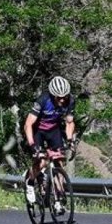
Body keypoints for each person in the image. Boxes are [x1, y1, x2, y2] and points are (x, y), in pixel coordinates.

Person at [23, 76, 76, 214]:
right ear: (53, 95)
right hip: (38, 131)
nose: (62, 100)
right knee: (41, 162)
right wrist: (33, 145)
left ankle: (57, 198)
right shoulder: (42, 100)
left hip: (54, 130)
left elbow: (69, 122)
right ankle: (30, 181)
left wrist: (70, 141)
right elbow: (28, 124)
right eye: (59, 98)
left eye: (64, 97)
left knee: (59, 160)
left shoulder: (70, 101)